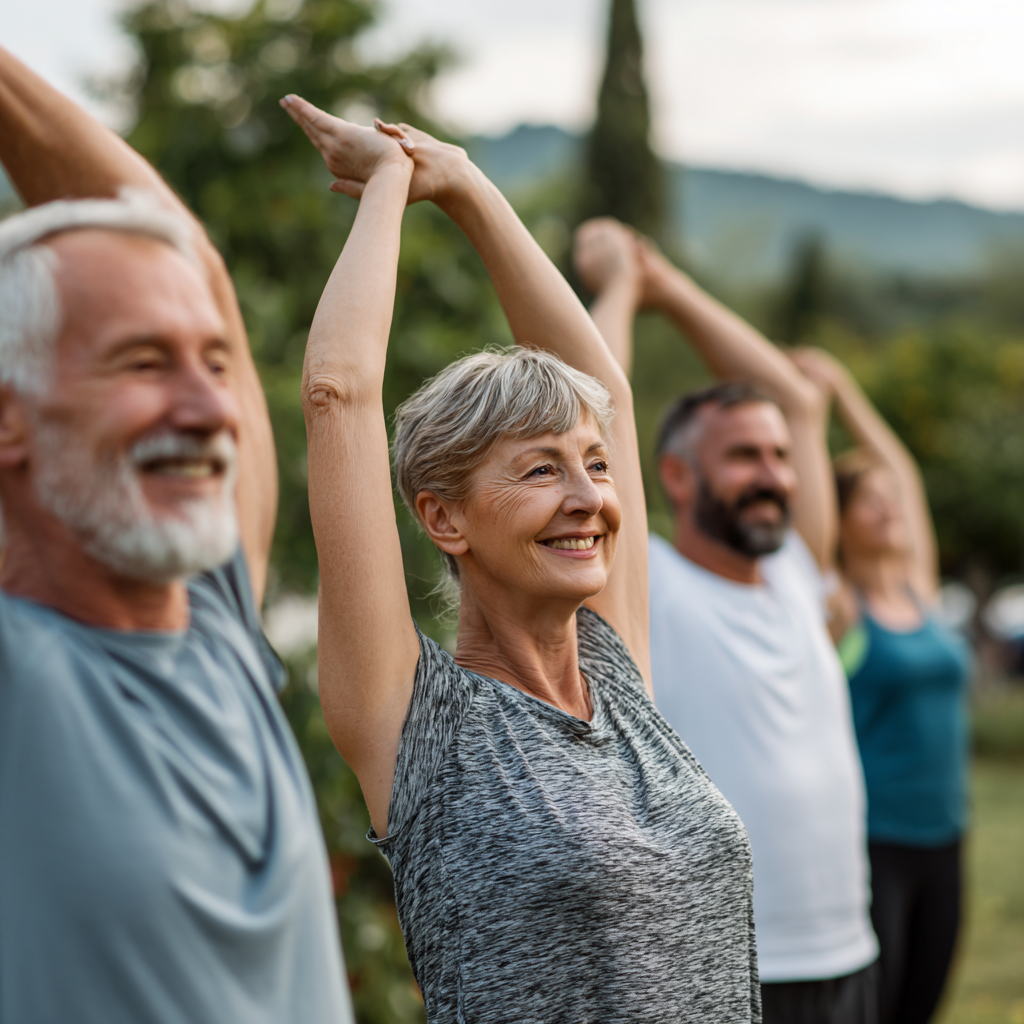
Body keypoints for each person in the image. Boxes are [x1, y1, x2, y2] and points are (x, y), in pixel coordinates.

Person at [280, 93, 761, 1023]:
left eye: (593, 465)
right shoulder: (417, 723)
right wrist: (388, 181)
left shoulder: (614, 671)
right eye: (541, 470)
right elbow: (338, 393)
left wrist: (462, 183)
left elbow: (605, 388)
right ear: (443, 518)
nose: (588, 497)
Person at [0, 51, 354, 1024]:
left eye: (211, 361)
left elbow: (187, 260)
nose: (211, 406)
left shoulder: (219, 630)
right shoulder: (22, 674)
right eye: (143, 362)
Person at [574, 219, 879, 1024]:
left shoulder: (794, 576)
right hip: (724, 964)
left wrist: (668, 285)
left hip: (846, 949)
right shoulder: (651, 588)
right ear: (674, 475)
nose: (774, 477)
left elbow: (801, 401)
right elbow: (592, 413)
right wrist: (620, 291)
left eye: (779, 457)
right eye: (744, 457)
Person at [789, 348, 971, 1024]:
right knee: (876, 1008)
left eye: (890, 501)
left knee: (923, 1004)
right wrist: (809, 416)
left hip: (946, 837)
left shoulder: (918, 590)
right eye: (870, 501)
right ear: (843, 518)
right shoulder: (837, 607)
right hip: (875, 839)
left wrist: (845, 391)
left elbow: (904, 474)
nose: (890, 508)